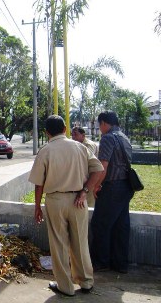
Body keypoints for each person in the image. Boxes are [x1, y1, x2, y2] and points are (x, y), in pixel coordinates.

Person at [28, 115, 103, 297]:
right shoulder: (80, 147)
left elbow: (39, 183)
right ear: (65, 129)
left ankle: (65, 286)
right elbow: (98, 169)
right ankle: (86, 281)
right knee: (80, 242)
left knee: (59, 243)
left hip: (55, 200)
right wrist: (85, 190)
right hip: (78, 199)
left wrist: (37, 206)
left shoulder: (45, 150)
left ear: (47, 133)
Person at [90, 111, 134, 274]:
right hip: (125, 187)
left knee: (100, 224)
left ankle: (100, 262)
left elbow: (103, 166)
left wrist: (96, 185)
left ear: (103, 123)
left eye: (99, 125)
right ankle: (120, 264)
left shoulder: (108, 137)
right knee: (121, 226)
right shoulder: (124, 137)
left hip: (112, 187)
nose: (99, 129)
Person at [72, 126, 99, 206]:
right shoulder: (77, 145)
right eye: (72, 135)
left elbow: (85, 162)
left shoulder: (88, 145)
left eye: (75, 135)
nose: (73, 137)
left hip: (90, 178)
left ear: (83, 135)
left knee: (88, 203)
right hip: (81, 179)